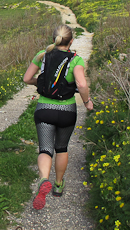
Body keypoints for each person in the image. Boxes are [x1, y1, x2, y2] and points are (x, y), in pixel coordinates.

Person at [23, 24, 93, 210]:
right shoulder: (76, 60)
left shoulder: (43, 55)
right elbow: (81, 84)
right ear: (71, 41)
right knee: (61, 148)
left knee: (45, 149)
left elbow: (26, 78)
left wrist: (41, 83)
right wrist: (87, 102)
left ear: (54, 39)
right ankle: (58, 185)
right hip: (67, 111)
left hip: (44, 109)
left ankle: (43, 180)